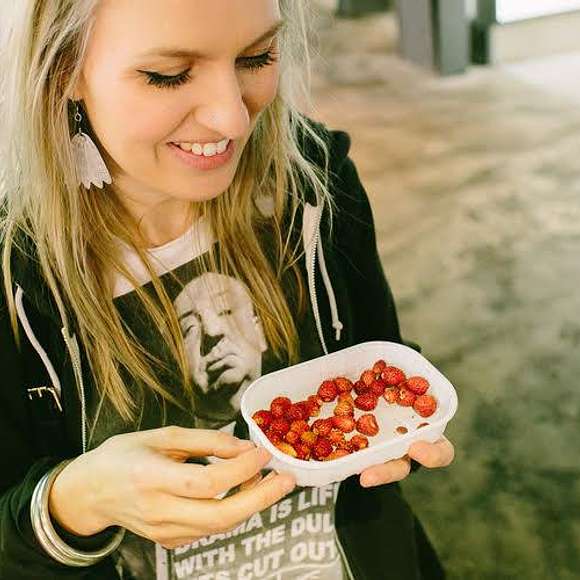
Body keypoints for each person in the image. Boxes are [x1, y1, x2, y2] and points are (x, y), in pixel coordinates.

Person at [0, 1, 455, 579]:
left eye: (256, 58)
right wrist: (72, 503)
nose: (233, 119)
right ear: (63, 69)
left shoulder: (317, 185)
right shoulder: (15, 274)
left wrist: (399, 432)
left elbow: (377, 362)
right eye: (168, 75)